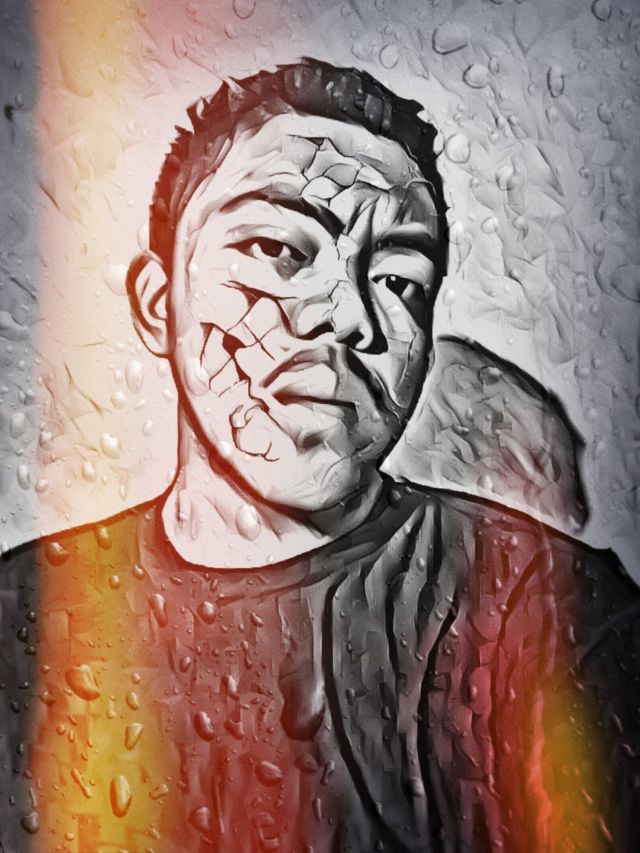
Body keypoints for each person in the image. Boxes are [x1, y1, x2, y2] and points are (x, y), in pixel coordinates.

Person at [1, 58, 639, 853]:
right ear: (159, 305)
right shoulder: (23, 619)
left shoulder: (547, 614)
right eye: (277, 247)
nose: (350, 315)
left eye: (399, 280)